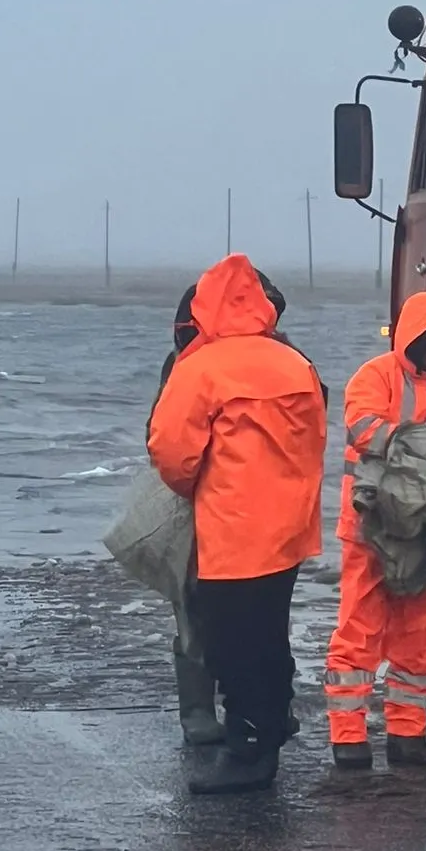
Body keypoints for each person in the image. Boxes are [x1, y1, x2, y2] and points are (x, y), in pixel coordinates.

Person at [148, 254, 328, 794]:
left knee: (232, 644)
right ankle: (271, 725)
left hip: (232, 531)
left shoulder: (201, 367)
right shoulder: (295, 363)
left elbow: (172, 453)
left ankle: (250, 751)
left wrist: (200, 491)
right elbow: (318, 433)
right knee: (270, 634)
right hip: (290, 528)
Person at [324, 292, 426, 770]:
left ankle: (408, 734)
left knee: (416, 632)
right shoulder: (376, 375)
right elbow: (362, 427)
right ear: (417, 343)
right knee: (359, 628)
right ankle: (349, 739)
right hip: (372, 525)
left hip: (422, 529)